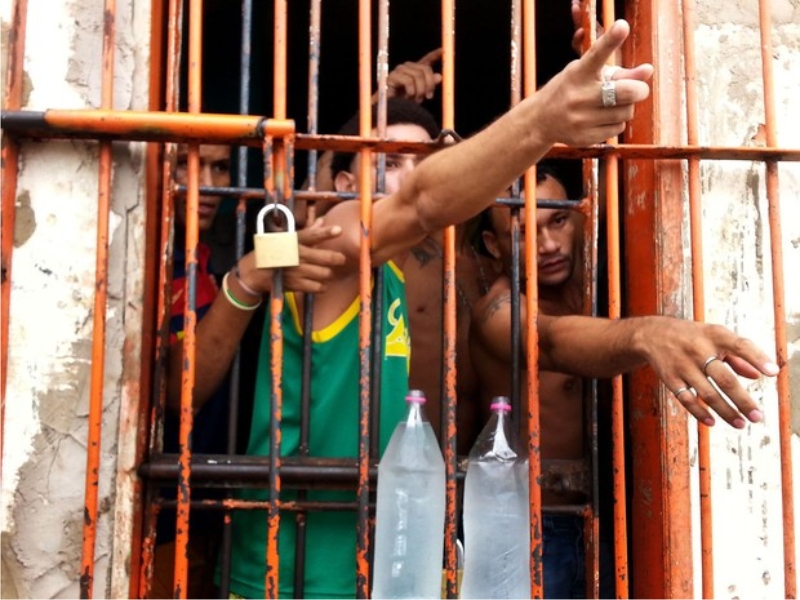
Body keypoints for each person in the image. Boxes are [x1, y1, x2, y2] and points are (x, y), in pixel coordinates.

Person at [223, 21, 777, 599]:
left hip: (409, 526)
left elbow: (540, 321)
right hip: (306, 539)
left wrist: (649, 330)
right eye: (386, 159)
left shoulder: (466, 272)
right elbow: (387, 204)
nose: (406, 174)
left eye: (420, 158)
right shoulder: (335, 248)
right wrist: (387, 107)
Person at [151, 144, 346, 599]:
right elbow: (178, 393)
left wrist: (375, 106)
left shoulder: (202, 261)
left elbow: (310, 206)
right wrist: (245, 284)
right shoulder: (143, 264)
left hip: (212, 500)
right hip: (159, 508)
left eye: (221, 167)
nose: (212, 184)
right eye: (187, 163)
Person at [471, 162, 618, 598]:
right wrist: (651, 335)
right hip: (529, 529)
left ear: (580, 218)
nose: (548, 244)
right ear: (493, 245)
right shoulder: (496, 313)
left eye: (557, 220)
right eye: (522, 232)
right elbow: (552, 343)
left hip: (608, 522)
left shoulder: (596, 289)